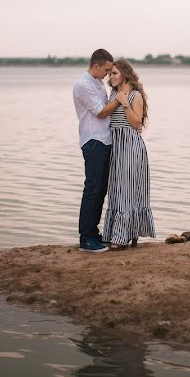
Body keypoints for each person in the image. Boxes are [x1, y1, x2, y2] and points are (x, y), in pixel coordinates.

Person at [102, 59, 155, 250]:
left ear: (125, 73)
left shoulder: (135, 95)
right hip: (116, 145)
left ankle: (123, 237)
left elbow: (136, 123)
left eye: (115, 73)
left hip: (131, 146)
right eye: (110, 74)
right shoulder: (113, 93)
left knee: (128, 190)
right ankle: (118, 233)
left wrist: (125, 104)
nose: (111, 77)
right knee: (116, 190)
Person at [72, 49, 121, 253]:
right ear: (97, 65)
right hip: (93, 141)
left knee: (101, 190)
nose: (108, 74)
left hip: (104, 140)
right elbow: (101, 112)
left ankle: (94, 232)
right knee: (92, 189)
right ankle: (86, 238)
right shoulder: (83, 85)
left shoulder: (97, 83)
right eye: (107, 70)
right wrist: (120, 98)